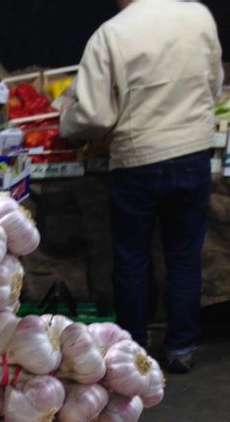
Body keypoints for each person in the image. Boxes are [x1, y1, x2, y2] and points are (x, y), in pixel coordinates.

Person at [60, 0, 223, 373]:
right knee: (184, 255)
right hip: (193, 152)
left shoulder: (112, 34)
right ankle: (181, 347)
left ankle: (133, 350)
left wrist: (66, 123)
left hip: (139, 159)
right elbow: (212, 84)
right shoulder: (199, 15)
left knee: (133, 258)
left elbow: (95, 116)